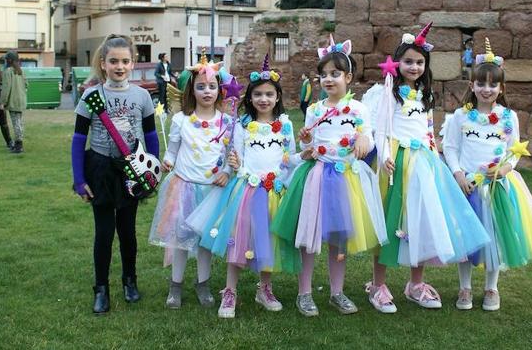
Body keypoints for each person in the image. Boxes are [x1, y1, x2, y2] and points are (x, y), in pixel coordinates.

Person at [362, 24, 489, 313]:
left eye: (420, 62)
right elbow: (378, 128)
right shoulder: (386, 92)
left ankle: (415, 283)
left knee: (421, 221)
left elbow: (428, 129)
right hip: (396, 162)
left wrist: (434, 156)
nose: (414, 67)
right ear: (397, 63)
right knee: (389, 220)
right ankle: (378, 284)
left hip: (423, 164)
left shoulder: (424, 94)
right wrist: (383, 155)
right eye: (408, 61)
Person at [271, 37, 388, 317]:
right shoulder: (314, 109)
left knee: (339, 239)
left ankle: (337, 291)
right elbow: (306, 145)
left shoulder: (359, 109)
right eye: (323, 75)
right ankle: (305, 292)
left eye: (335, 74)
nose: (328, 79)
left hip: (346, 180)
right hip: (318, 177)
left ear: (348, 77)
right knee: (309, 237)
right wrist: (305, 140)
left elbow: (368, 139)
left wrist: (362, 138)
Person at [187, 55, 307, 318]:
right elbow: (237, 155)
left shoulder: (285, 125)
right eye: (258, 95)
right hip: (246, 190)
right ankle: (230, 291)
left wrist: (304, 155)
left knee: (268, 240)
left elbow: (289, 159)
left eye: (269, 94)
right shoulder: (242, 125)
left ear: (277, 97)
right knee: (238, 242)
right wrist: (235, 163)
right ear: (250, 98)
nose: (263, 99)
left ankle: (265, 288)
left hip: (274, 190)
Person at [443, 39, 532, 312]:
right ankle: (464, 286)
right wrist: (458, 174)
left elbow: (514, 150)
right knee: (467, 236)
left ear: (501, 88)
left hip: (497, 186)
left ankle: (492, 287)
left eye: (492, 85)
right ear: (472, 86)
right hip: (467, 186)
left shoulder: (508, 117)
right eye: (481, 84)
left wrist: (505, 168)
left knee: (495, 237)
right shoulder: (460, 117)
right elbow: (451, 148)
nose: (486, 90)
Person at [71, 34, 160, 314]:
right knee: (104, 233)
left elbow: (150, 134)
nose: (119, 66)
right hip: (100, 169)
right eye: (113, 61)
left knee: (128, 232)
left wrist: (152, 168)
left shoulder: (142, 96)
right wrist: (79, 179)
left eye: (124, 61)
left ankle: (129, 281)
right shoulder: (91, 96)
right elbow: (77, 139)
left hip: (131, 171)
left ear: (132, 63)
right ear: (103, 63)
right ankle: (101, 289)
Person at [148, 52, 231, 310]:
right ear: (191, 90)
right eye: (201, 87)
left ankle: (203, 283)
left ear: (219, 90)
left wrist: (226, 170)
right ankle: (176, 285)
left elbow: (229, 155)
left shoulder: (226, 122)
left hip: (211, 190)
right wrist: (168, 160)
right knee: (181, 240)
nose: (207, 91)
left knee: (206, 240)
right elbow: (172, 150)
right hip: (183, 187)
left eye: (212, 86)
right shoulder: (181, 121)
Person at [0, 51, 28, 153]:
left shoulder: (8, 72)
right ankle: (19, 143)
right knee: (19, 122)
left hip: (13, 101)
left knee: (16, 123)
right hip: (21, 100)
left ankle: (18, 145)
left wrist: (2, 102)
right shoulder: (21, 71)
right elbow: (26, 85)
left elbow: (6, 88)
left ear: (9, 60)